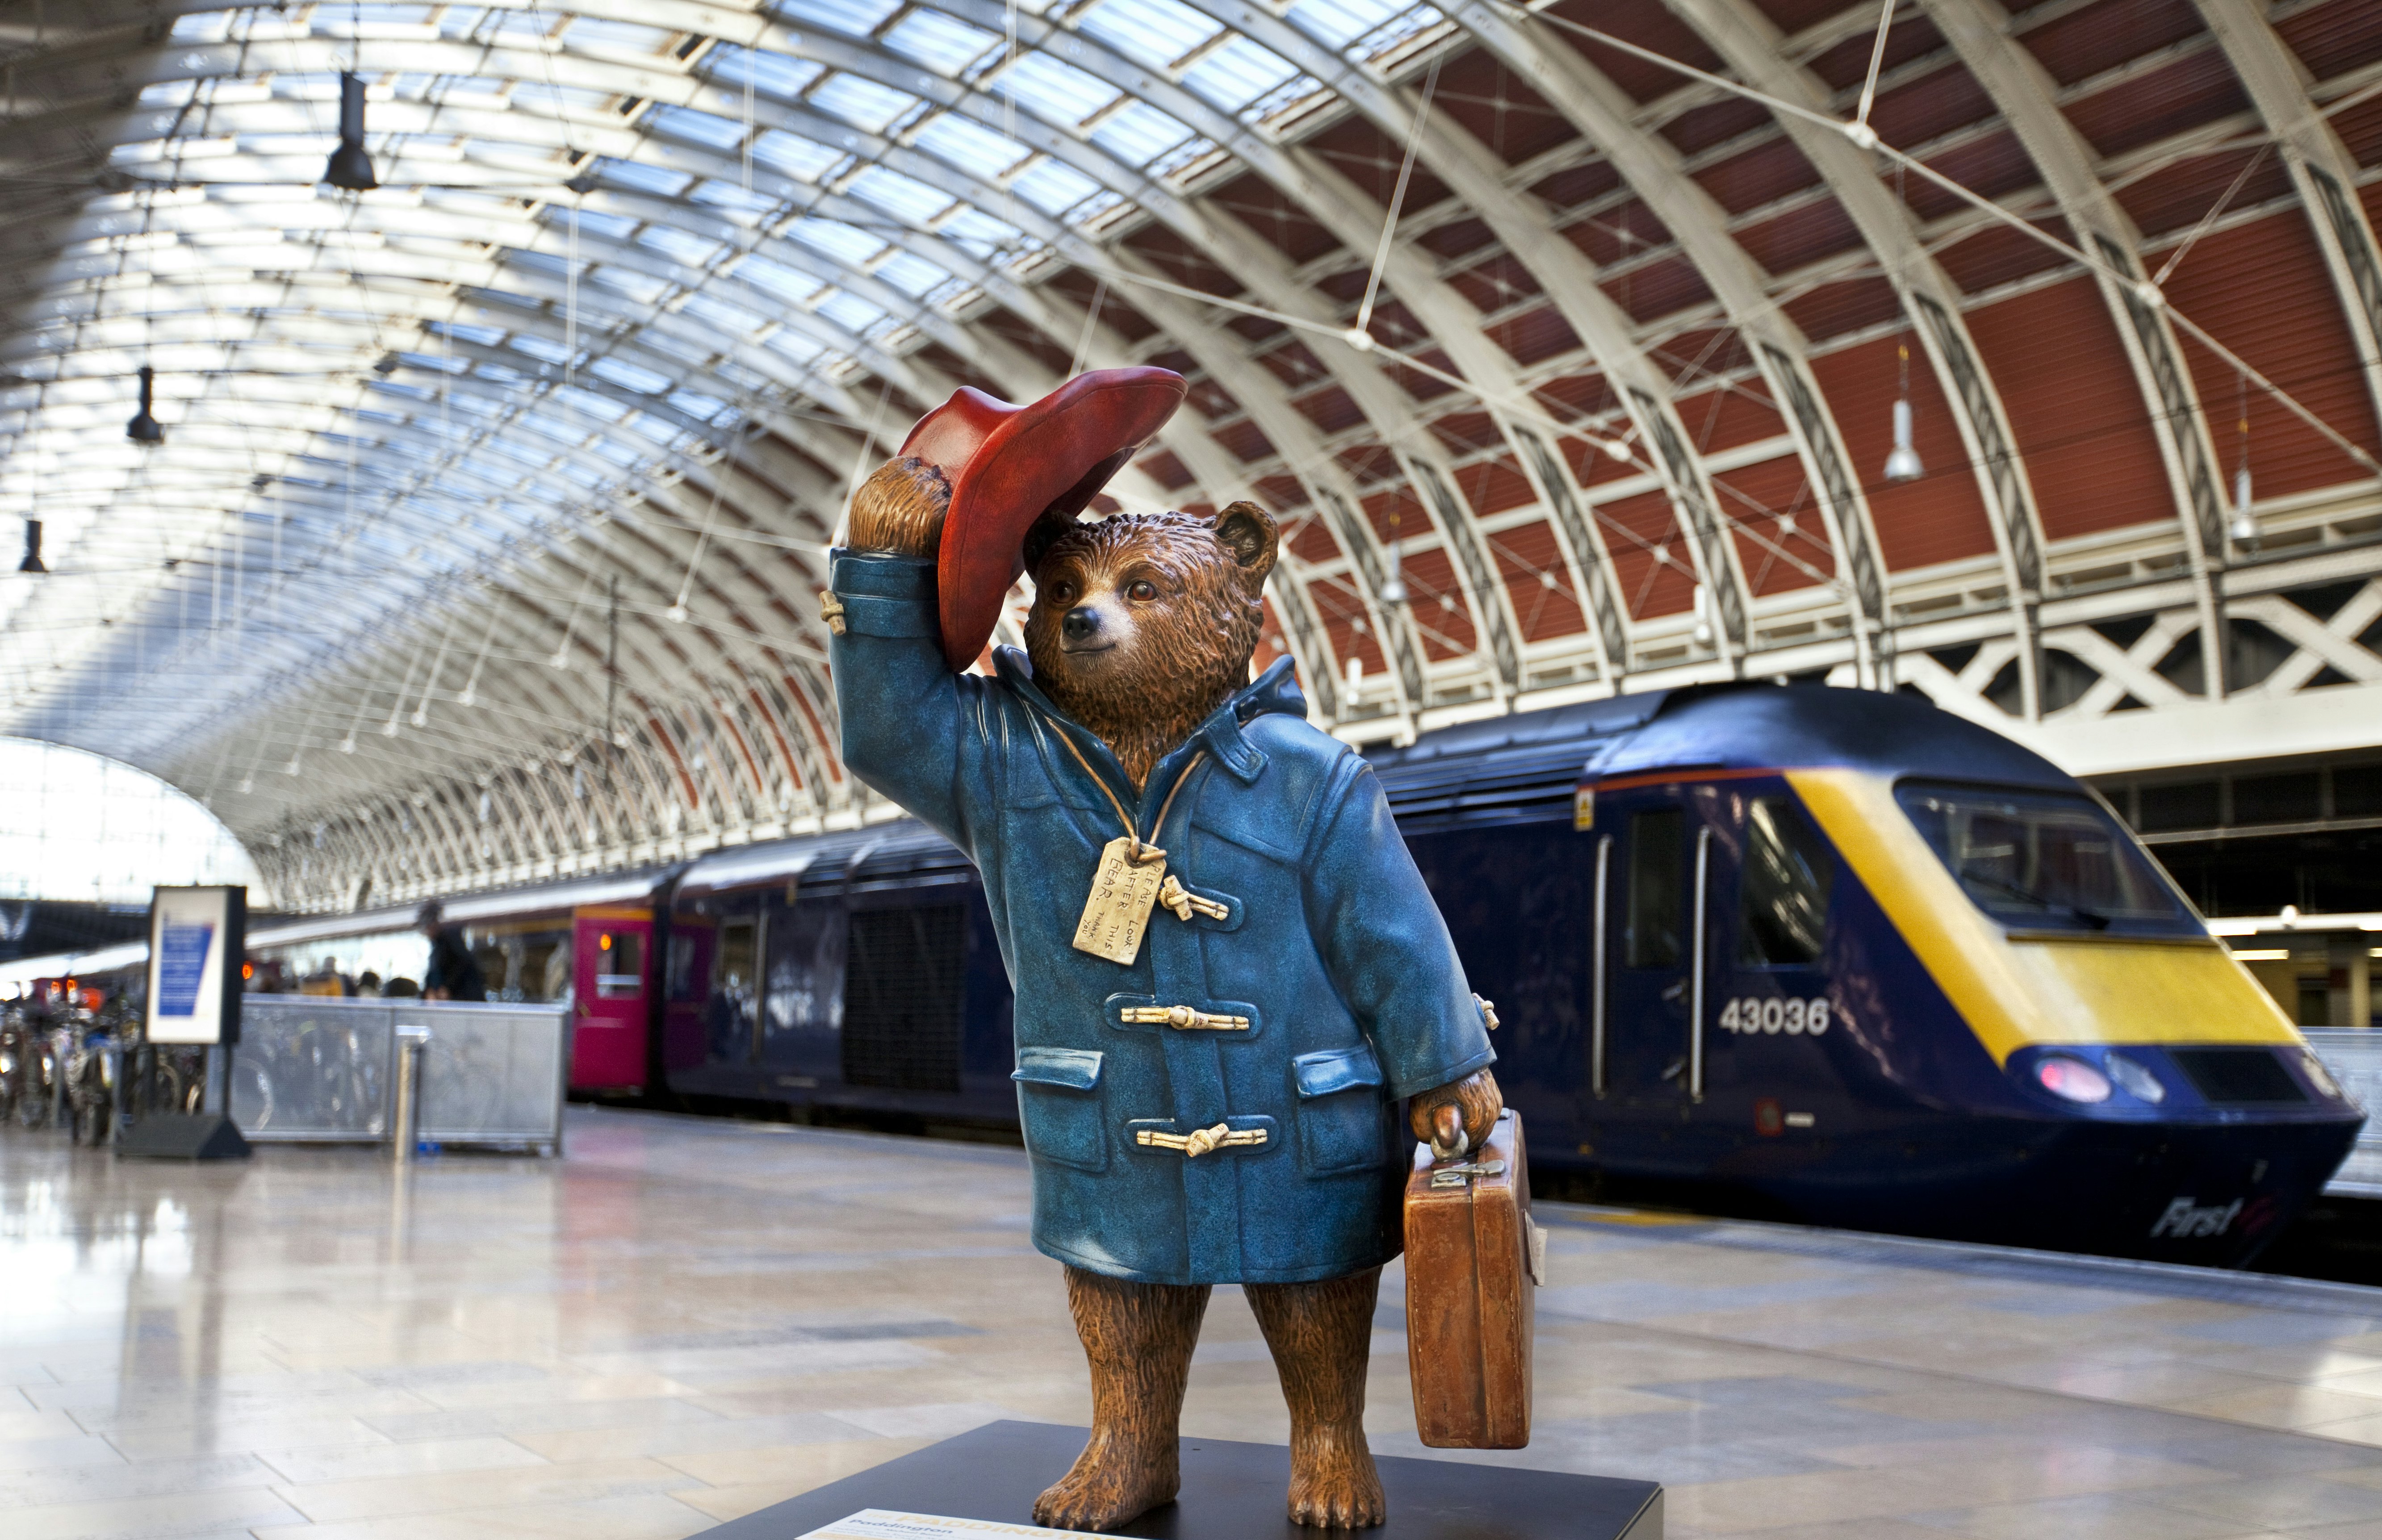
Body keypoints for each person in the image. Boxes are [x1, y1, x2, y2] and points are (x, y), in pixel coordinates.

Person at [417, 902, 486, 1002]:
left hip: (464, 1002)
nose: (426, 932)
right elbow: (433, 974)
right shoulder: (437, 945)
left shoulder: (450, 939)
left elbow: (463, 963)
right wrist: (429, 990)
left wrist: (447, 987)